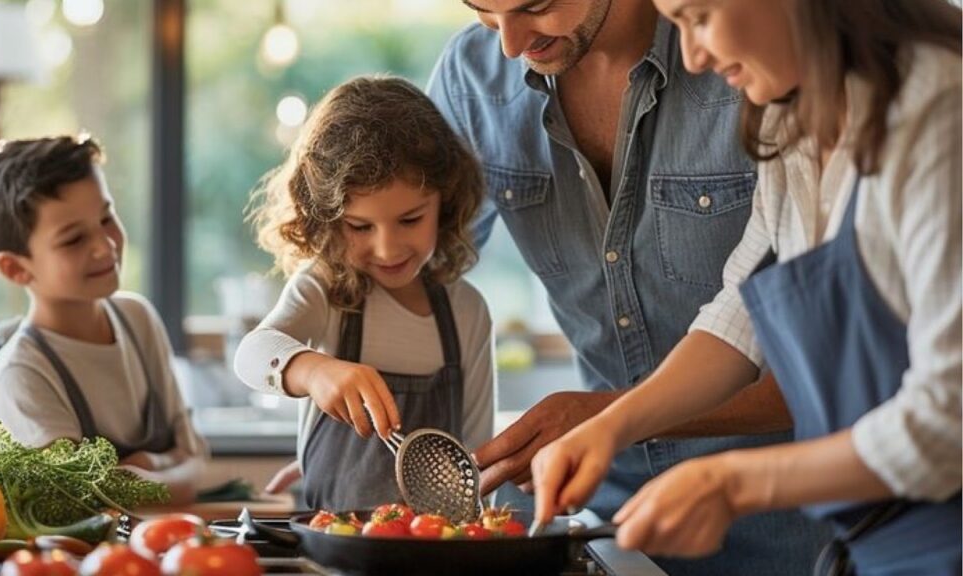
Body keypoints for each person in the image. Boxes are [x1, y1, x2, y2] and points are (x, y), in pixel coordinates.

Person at [532, 0, 962, 574]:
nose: (693, 55)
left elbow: (948, 420)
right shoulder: (790, 119)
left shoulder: (939, 110)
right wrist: (612, 427)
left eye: (699, 17)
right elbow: (740, 311)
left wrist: (732, 483)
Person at [428, 1, 828, 574]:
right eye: (485, 12)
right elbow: (735, 321)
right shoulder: (474, 81)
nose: (510, 46)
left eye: (535, 5)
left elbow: (840, 378)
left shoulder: (762, 64)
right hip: (600, 515)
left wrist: (604, 420)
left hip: (792, 520)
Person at [234, 76, 495, 511]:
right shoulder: (327, 288)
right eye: (360, 227)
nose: (387, 248)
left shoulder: (466, 311)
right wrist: (314, 372)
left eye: (410, 220)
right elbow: (251, 354)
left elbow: (479, 458)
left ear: (445, 202)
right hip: (335, 552)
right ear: (327, 219)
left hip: (438, 552)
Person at [0, 135, 208, 504]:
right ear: (15, 269)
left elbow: (198, 462)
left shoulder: (138, 318)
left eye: (106, 217)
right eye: (74, 239)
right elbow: (83, 500)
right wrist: (168, 468)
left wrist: (145, 468)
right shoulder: (24, 371)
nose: (104, 245)